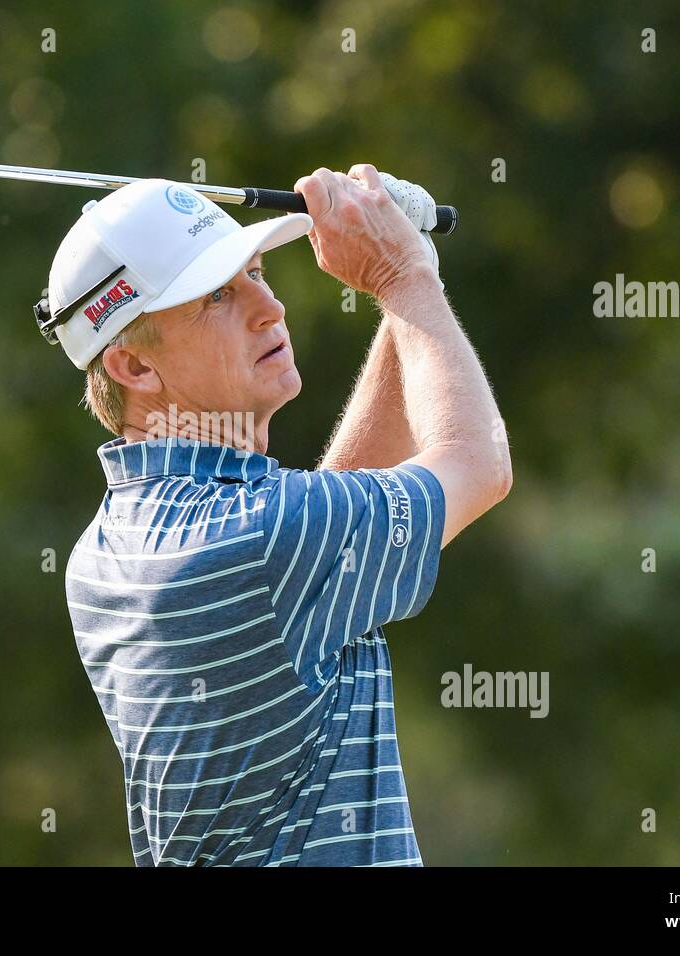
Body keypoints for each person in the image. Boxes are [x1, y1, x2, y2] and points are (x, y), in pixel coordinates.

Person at [37, 165, 512, 865]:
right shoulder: (259, 536)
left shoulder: (111, 546)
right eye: (216, 297)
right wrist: (404, 280)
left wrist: (406, 283)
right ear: (134, 368)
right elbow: (478, 465)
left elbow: (324, 549)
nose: (270, 307)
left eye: (258, 272)